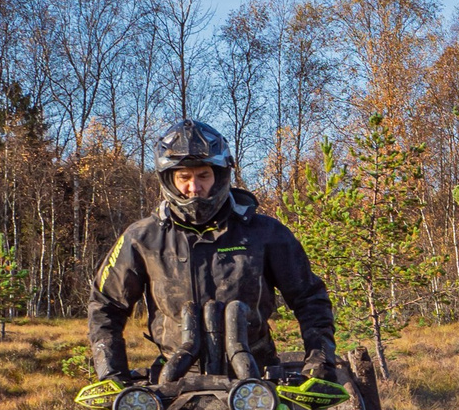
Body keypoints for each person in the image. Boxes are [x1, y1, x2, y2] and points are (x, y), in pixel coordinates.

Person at [86, 119, 338, 383]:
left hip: (260, 376)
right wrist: (111, 373)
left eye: (203, 175)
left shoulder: (265, 232)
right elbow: (105, 306)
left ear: (219, 175)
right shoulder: (142, 238)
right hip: (174, 378)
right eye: (184, 177)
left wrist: (319, 361)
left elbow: (310, 299)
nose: (194, 188)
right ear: (169, 179)